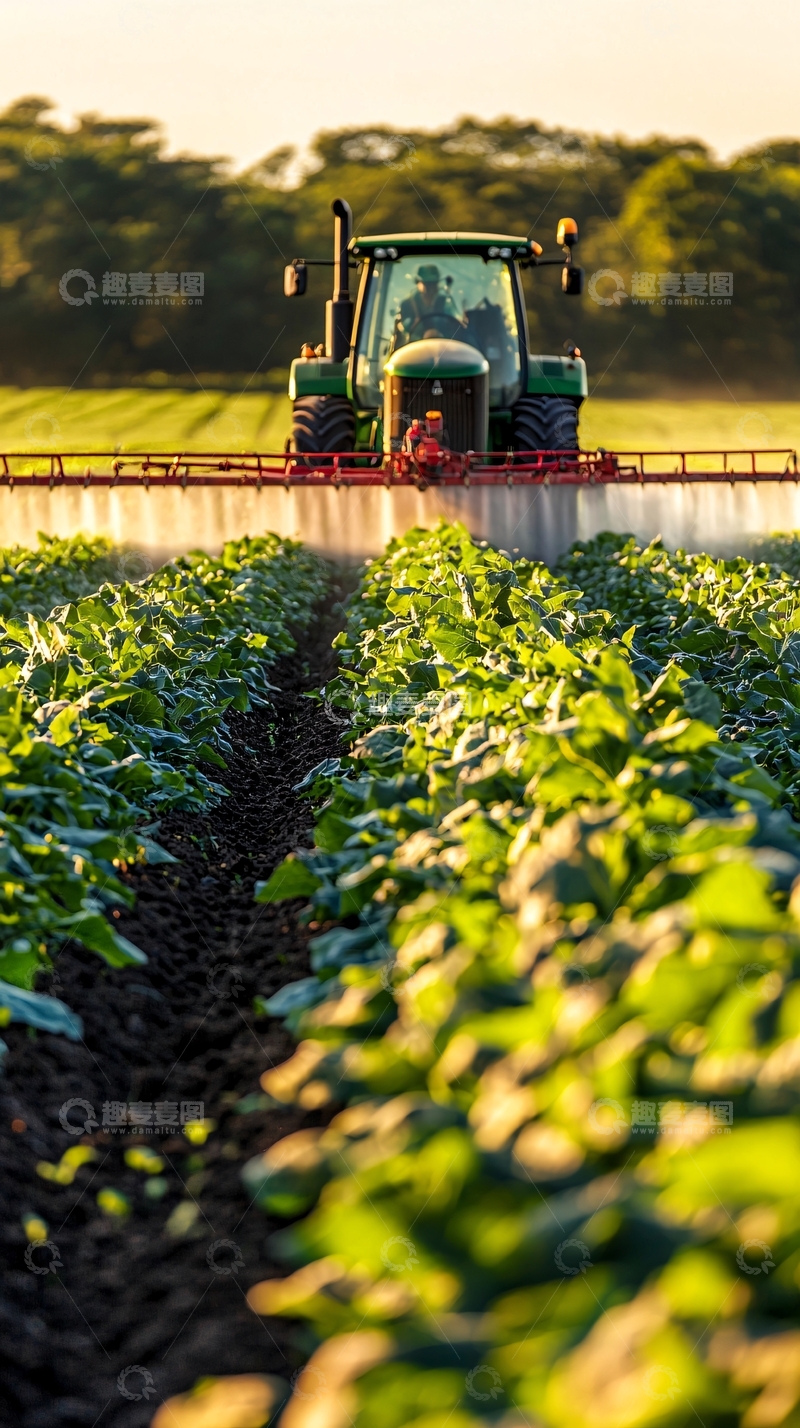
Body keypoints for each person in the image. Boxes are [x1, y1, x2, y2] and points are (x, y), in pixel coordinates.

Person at [396, 264, 463, 343]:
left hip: (443, 345)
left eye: (433, 283)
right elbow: (403, 331)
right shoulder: (407, 305)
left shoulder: (445, 303)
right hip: (415, 346)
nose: (431, 288)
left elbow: (455, 322)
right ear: (419, 283)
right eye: (427, 284)